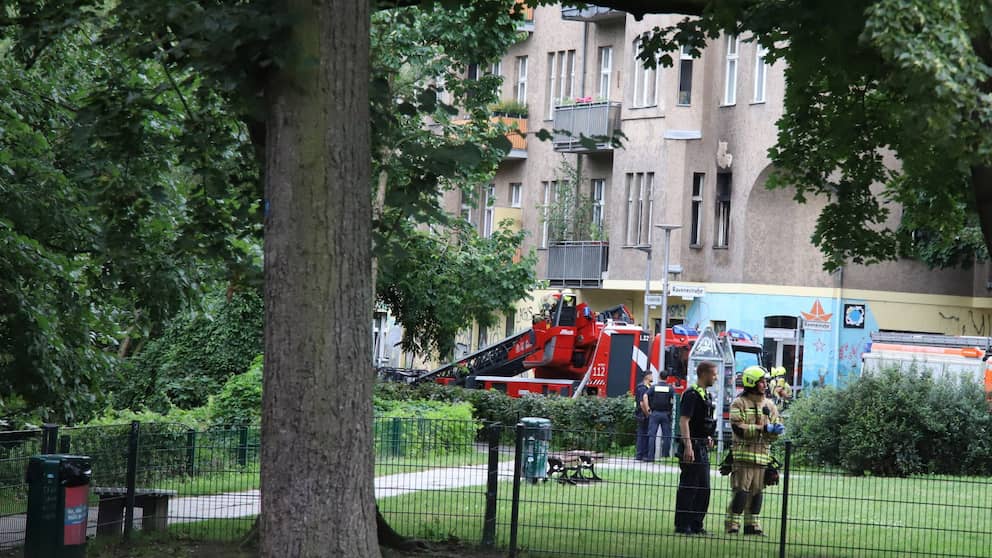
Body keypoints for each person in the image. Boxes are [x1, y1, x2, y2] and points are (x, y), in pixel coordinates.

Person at [725, 365, 785, 536]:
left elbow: (775, 428)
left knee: (757, 494)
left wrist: (775, 431)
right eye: (761, 381)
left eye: (765, 381)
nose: (765, 384)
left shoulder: (769, 404)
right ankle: (732, 525)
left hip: (762, 458)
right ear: (751, 382)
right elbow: (738, 428)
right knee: (741, 493)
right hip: (743, 457)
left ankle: (753, 526)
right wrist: (763, 428)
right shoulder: (739, 403)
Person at [674, 361, 718, 536]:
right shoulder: (691, 394)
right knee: (689, 487)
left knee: (703, 488)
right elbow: (684, 421)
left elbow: (700, 422)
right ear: (704, 374)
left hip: (702, 446)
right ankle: (683, 525)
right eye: (713, 374)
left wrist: (707, 436)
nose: (715, 377)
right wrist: (688, 446)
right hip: (692, 447)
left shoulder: (705, 395)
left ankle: (696, 524)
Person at [645, 377, 675, 461]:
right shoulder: (670, 388)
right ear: (667, 378)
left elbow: (645, 395)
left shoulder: (654, 387)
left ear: (659, 377)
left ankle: (650, 457)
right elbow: (674, 399)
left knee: (652, 435)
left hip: (655, 413)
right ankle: (665, 457)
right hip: (666, 414)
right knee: (666, 436)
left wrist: (648, 408)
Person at [634, 372, 652, 461]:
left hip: (642, 413)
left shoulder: (646, 386)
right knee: (642, 434)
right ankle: (640, 455)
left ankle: (642, 454)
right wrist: (647, 414)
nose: (652, 377)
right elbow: (642, 403)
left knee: (643, 433)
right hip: (642, 414)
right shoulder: (642, 388)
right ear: (647, 377)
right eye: (651, 375)